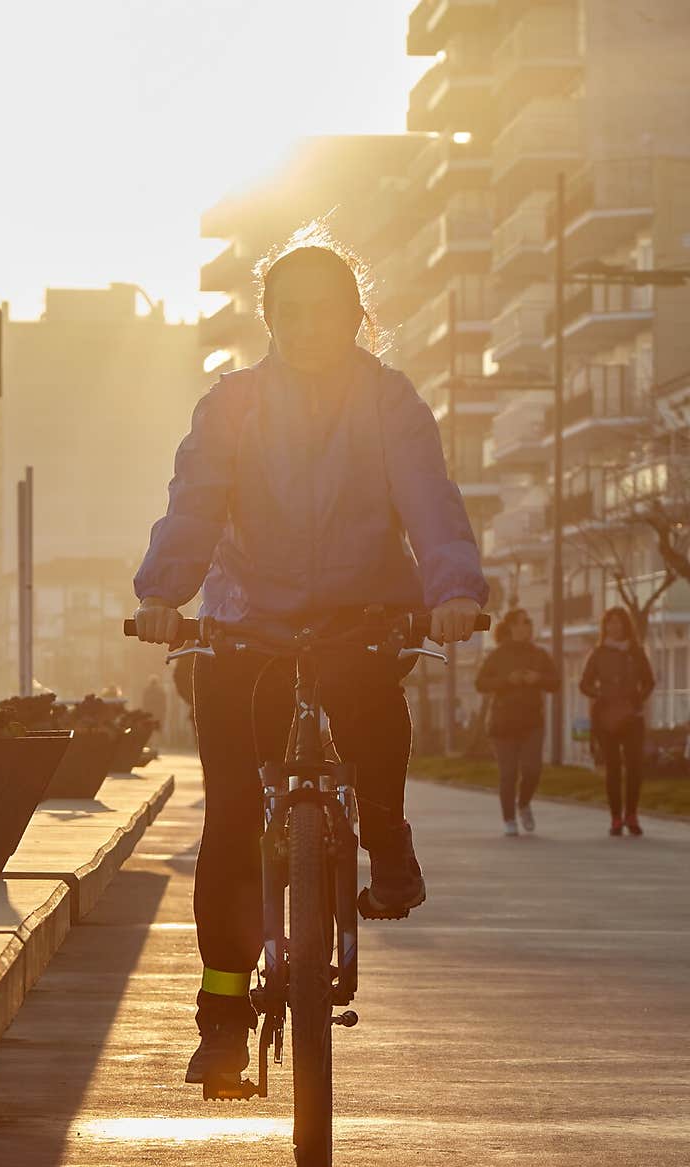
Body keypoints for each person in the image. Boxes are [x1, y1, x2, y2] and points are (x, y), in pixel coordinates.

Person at [132, 236, 487, 1084]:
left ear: (358, 316)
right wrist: (163, 593)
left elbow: (428, 501)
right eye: (288, 311)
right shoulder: (235, 405)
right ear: (268, 319)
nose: (306, 326)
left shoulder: (390, 402)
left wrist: (453, 588)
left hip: (361, 612)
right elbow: (197, 503)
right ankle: (221, 1018)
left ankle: (387, 841)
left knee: (370, 712)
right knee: (229, 824)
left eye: (325, 309)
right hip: (248, 621)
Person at [474, 608, 559, 835]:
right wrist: (506, 680)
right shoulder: (497, 655)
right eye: (522, 623)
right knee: (508, 773)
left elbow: (555, 682)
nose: (526, 627)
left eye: (529, 623)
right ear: (511, 627)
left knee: (532, 770)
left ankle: (524, 803)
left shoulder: (539, 654)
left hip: (532, 721)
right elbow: (481, 683)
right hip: (502, 722)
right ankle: (509, 819)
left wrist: (538, 678)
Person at [579, 606, 655, 836]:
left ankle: (631, 815)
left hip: (632, 716)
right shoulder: (598, 653)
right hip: (605, 717)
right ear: (605, 627)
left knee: (634, 767)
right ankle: (615, 818)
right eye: (610, 622)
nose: (615, 626)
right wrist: (599, 694)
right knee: (612, 767)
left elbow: (649, 681)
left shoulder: (636, 652)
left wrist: (636, 700)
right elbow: (584, 684)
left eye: (619, 622)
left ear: (626, 625)